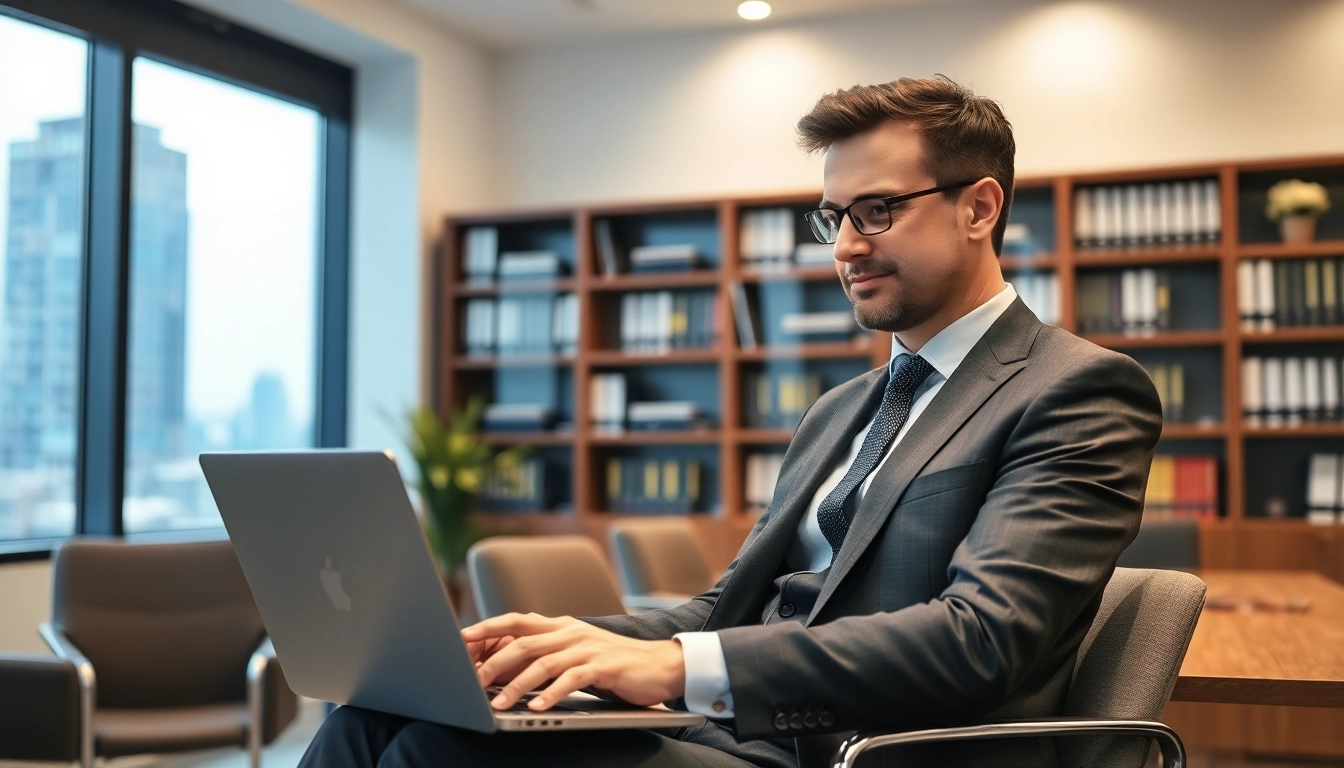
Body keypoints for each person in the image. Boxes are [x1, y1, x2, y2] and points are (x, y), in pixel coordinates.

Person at [299, 75, 1162, 768]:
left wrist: (676, 667)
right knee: (377, 715)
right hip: (736, 731)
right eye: (834, 218)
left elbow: (983, 640)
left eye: (877, 211)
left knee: (441, 750)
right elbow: (733, 607)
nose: (845, 246)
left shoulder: (1076, 390)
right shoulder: (840, 410)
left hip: (864, 750)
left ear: (979, 208)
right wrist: (575, 640)